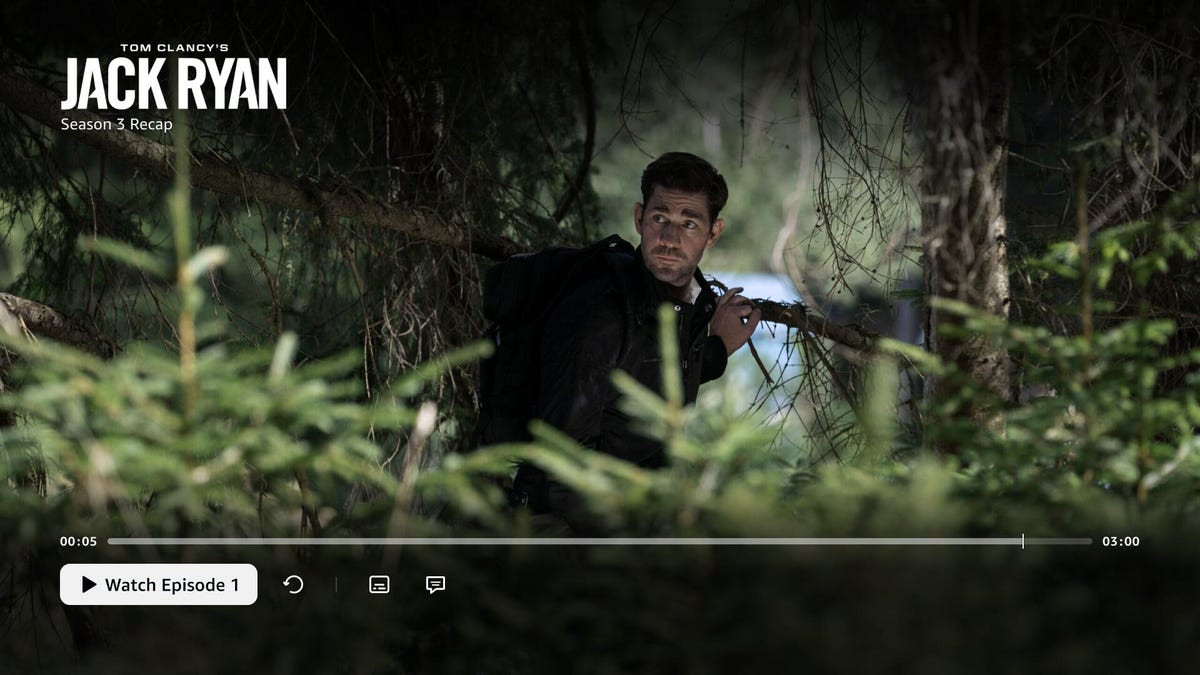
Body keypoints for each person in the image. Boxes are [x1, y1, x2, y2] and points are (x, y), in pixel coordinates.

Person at [511, 151, 762, 532]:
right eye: (660, 218)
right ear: (639, 219)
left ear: (713, 233)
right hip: (566, 528)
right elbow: (562, 462)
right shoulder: (602, 309)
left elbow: (650, 378)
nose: (670, 239)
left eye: (689, 224)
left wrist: (714, 349)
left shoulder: (688, 307)